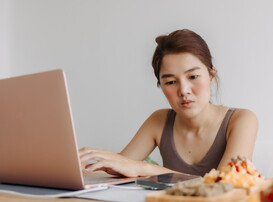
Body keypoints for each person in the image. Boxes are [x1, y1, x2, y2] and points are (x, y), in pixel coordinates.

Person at [79, 29, 258, 177]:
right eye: (170, 82)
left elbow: (225, 186)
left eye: (193, 77)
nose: (184, 90)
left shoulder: (241, 120)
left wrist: (147, 169)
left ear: (211, 76)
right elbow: (118, 168)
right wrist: (79, 168)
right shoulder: (159, 120)